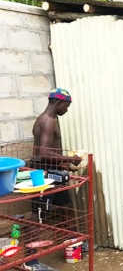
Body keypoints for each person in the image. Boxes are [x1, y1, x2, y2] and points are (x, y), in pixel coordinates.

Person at [30, 88, 90, 253]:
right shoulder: (49, 121)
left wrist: (63, 164)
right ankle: (31, 256)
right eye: (67, 106)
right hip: (44, 172)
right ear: (59, 103)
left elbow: (49, 151)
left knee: (66, 205)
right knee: (39, 212)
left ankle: (72, 240)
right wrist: (70, 159)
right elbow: (42, 152)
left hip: (52, 169)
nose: (67, 110)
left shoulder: (46, 119)